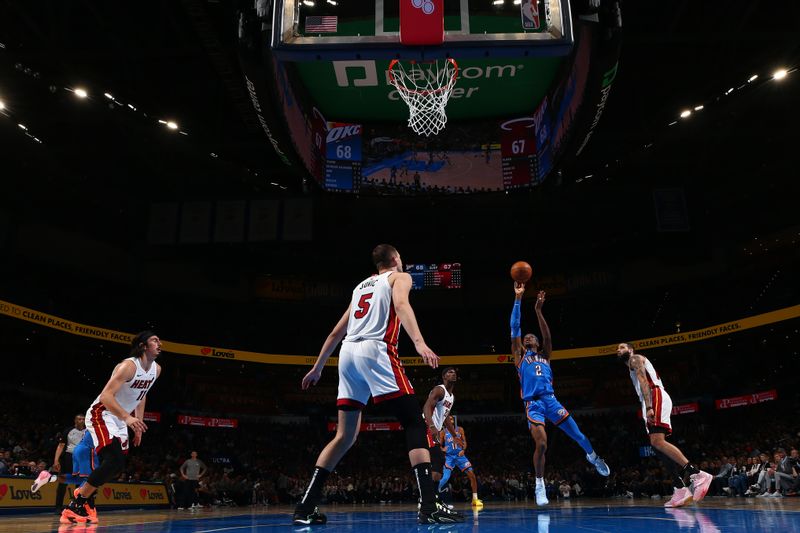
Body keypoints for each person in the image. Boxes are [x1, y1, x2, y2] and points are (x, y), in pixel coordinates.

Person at [292, 244, 463, 525]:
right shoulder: (399, 277)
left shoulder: (360, 286)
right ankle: (429, 506)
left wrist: (318, 367)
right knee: (415, 422)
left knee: (344, 436)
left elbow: (337, 331)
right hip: (376, 350)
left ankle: (305, 508)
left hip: (347, 355)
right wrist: (420, 343)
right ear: (395, 259)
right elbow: (401, 305)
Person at [510, 283, 609, 506]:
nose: (528, 338)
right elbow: (515, 326)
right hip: (533, 404)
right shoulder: (519, 356)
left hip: (551, 401)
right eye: (526, 337)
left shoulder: (545, 354)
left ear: (537, 343)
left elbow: (547, 336)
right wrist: (518, 299)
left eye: (531, 337)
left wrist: (537, 310)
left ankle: (593, 457)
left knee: (579, 436)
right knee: (542, 444)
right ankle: (539, 485)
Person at [59, 331, 162, 524]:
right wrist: (127, 417)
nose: (160, 343)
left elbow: (142, 395)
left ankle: (84, 500)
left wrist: (137, 423)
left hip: (121, 419)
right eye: (155, 340)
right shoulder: (128, 366)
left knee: (115, 467)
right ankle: (75, 505)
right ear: (142, 346)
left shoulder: (156, 370)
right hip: (103, 413)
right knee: (114, 460)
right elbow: (106, 396)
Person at [616, 342, 712, 507]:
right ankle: (679, 487)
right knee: (656, 446)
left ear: (631, 350)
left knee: (657, 441)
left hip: (654, 395)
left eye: (622, 347)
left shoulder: (635, 359)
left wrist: (649, 407)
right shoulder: (630, 366)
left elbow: (644, 381)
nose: (619, 350)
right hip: (650, 398)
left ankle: (697, 474)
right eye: (617, 349)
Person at [30, 414, 86, 512]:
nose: (81, 421)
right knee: (63, 482)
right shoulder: (68, 430)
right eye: (79, 419)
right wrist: (56, 460)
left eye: (83, 419)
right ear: (75, 420)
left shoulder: (88, 432)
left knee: (80, 483)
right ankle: (58, 507)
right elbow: (60, 445)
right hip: (69, 457)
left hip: (82, 459)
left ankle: (77, 506)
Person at [421, 367, 457, 502]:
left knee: (436, 464)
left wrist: (454, 435)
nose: (452, 374)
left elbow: (445, 417)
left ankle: (432, 499)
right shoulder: (439, 390)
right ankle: (430, 500)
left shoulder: (451, 397)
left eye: (454, 372)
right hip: (426, 427)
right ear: (444, 377)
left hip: (433, 430)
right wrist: (432, 426)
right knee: (437, 460)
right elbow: (426, 406)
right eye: (449, 372)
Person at [437, 415, 482, 509]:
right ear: (445, 422)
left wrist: (463, 450)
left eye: (451, 418)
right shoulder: (443, 432)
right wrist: (442, 449)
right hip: (449, 457)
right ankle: (432, 496)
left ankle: (475, 499)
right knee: (445, 478)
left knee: (472, 475)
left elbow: (464, 442)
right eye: (447, 419)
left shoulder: (460, 429)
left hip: (460, 456)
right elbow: (439, 445)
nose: (450, 420)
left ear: (453, 421)